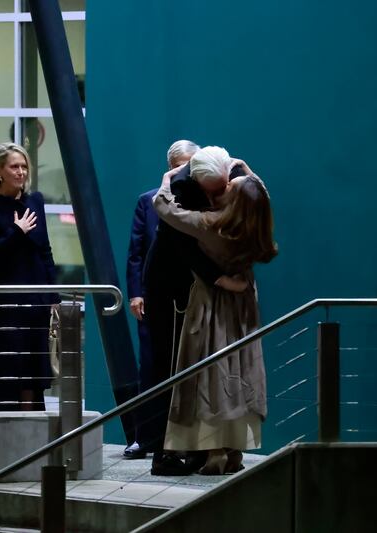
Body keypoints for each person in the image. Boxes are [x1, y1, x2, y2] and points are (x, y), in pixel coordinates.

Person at [153, 149, 277, 475]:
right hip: (245, 305)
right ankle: (235, 450)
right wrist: (243, 166)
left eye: (229, 189)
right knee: (242, 371)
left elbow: (164, 208)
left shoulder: (211, 224)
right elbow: (259, 189)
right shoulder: (258, 222)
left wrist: (167, 180)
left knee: (213, 372)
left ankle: (215, 451)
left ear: (235, 203)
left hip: (212, 304)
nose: (225, 189)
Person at [140, 146, 247, 476]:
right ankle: (163, 451)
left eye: (223, 187)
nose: (220, 197)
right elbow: (183, 244)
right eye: (214, 192)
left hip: (193, 286)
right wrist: (219, 278)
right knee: (168, 367)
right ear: (200, 183)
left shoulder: (225, 174)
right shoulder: (180, 190)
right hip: (171, 289)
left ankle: (196, 447)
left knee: (196, 370)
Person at [124, 140, 200, 460]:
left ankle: (185, 439)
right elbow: (136, 252)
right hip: (155, 297)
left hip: (189, 297)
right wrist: (136, 293)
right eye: (183, 166)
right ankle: (147, 436)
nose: (188, 173)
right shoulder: (148, 201)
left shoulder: (201, 202)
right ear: (170, 168)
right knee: (152, 367)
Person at [0, 142, 60, 411]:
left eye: (24, 166)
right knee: (9, 366)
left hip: (35, 299)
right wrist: (15, 230)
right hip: (4, 302)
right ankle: (6, 428)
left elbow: (44, 249)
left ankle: (32, 427)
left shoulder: (35, 201)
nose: (21, 172)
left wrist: (54, 295)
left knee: (33, 368)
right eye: (14, 167)